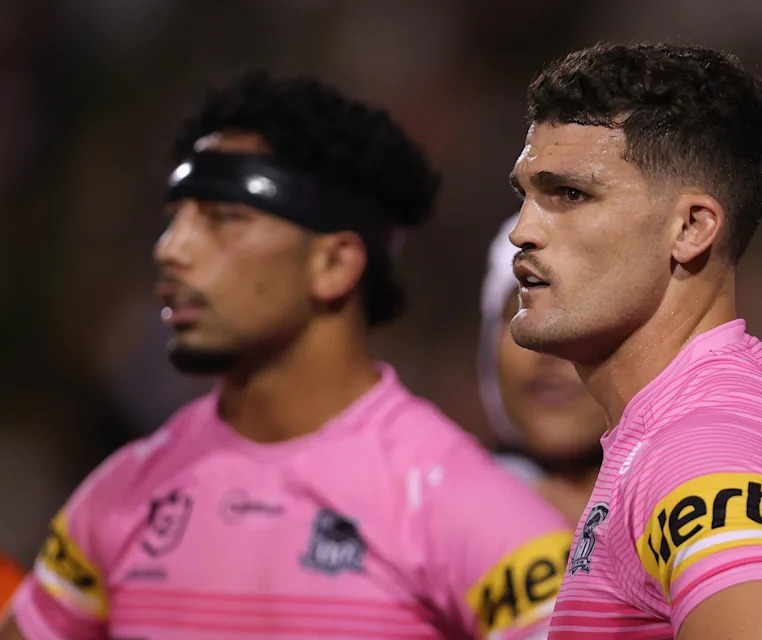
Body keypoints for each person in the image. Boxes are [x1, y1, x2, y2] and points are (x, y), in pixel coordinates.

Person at [1, 71, 571, 640]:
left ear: (333, 264)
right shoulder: (118, 497)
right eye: (176, 218)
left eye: (224, 220)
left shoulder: (455, 502)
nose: (171, 250)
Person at [506, 43, 762, 639]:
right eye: (523, 194)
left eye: (570, 195)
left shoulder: (704, 445)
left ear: (691, 228)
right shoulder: (705, 413)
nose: (523, 231)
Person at [479, 213, 607, 526]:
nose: (550, 348)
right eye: (524, 310)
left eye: (583, 313)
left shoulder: (714, 504)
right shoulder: (421, 516)